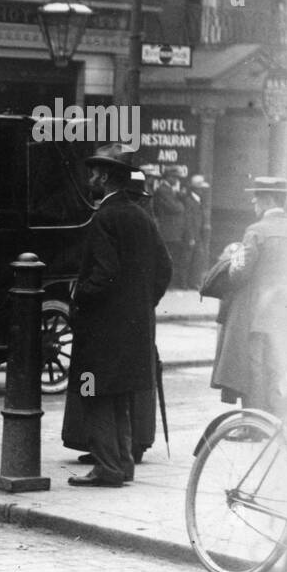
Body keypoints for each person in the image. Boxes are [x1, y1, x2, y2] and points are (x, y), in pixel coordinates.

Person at [63, 147, 171, 486]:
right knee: (121, 397)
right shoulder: (142, 216)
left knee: (94, 395)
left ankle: (107, 468)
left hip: (103, 328)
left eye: (95, 173)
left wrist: (79, 294)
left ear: (107, 177)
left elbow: (105, 273)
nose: (91, 178)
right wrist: (141, 303)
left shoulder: (105, 217)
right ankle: (123, 464)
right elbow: (165, 269)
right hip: (134, 326)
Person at [210, 176, 287, 419]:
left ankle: (253, 423)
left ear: (266, 199)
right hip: (283, 312)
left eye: (256, 196)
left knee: (253, 370)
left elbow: (239, 274)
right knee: (277, 368)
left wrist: (230, 257)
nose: (254, 201)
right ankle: (276, 421)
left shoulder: (256, 231)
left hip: (257, 312)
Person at [151, 165, 186, 274]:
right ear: (168, 177)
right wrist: (181, 203)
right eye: (175, 177)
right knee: (167, 257)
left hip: (170, 230)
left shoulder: (168, 190)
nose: (177, 180)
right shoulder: (164, 190)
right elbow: (175, 208)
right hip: (168, 230)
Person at [186, 173, 212, 290]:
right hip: (193, 235)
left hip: (198, 234)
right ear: (196, 189)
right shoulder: (189, 201)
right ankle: (188, 283)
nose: (203, 191)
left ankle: (194, 282)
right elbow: (188, 221)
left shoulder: (198, 201)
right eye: (201, 189)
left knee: (198, 258)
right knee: (189, 259)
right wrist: (190, 236)